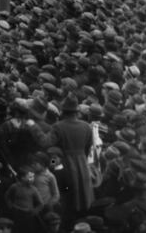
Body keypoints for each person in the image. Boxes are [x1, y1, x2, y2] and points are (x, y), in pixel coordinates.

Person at [51, 94, 94, 226]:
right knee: (83, 193)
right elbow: (88, 147)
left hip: (64, 164)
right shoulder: (87, 126)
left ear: (63, 112)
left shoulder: (58, 126)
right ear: (77, 112)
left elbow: (49, 145)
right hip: (82, 163)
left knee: (66, 195)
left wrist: (53, 165)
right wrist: (82, 159)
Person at [4, 166, 43, 232]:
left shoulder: (33, 189)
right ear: (22, 178)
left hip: (28, 215)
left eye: (33, 177)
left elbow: (40, 203)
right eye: (30, 177)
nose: (32, 179)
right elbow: (7, 196)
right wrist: (10, 206)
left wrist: (34, 212)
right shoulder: (15, 186)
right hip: (16, 214)